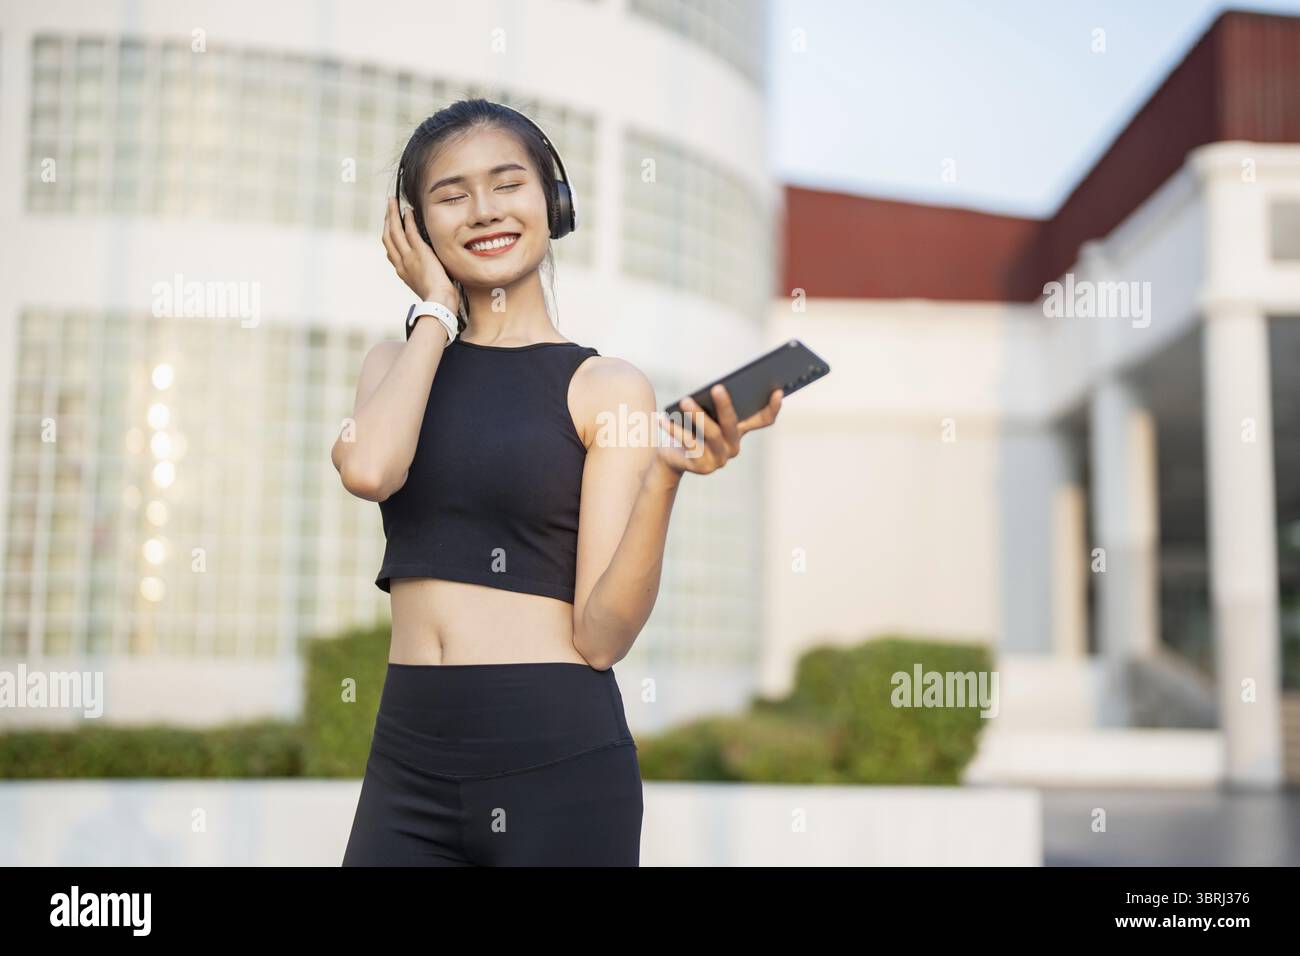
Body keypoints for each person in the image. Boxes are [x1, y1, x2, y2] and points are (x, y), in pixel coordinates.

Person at [333, 98, 783, 866]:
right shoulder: (395, 364)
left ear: (554, 201)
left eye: (508, 184)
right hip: (407, 757)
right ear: (411, 229)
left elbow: (601, 634)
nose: (483, 211)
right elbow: (372, 469)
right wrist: (436, 311)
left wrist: (664, 478)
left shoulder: (606, 388)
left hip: (556, 757)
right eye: (451, 195)